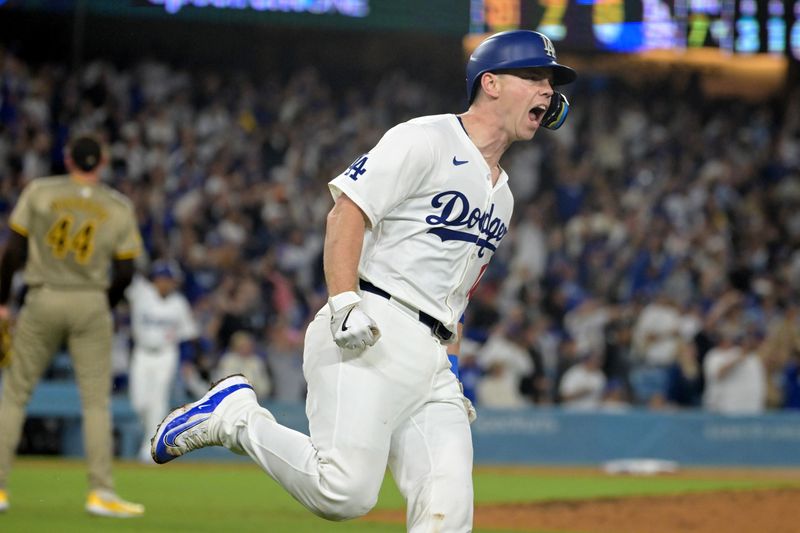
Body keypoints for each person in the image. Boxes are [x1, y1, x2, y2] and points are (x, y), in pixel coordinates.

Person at [151, 30, 576, 531]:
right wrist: (343, 302)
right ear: (491, 84)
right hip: (372, 326)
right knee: (344, 493)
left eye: (549, 81)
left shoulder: (503, 194)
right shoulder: (426, 138)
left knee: (448, 513)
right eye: (532, 76)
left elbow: (454, 294)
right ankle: (234, 417)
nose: (547, 91)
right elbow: (346, 214)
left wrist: (452, 369)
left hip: (433, 356)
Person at [0, 134, 145, 516]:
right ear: (101, 163)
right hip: (90, 300)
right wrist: (103, 303)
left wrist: (1, 301)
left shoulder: (40, 192)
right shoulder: (117, 206)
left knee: (14, 394)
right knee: (96, 402)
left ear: (68, 159)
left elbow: (13, 250)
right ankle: (100, 492)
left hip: (43, 294)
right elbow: (127, 270)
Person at [126, 259, 199, 463]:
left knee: (157, 402)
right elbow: (126, 273)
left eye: (168, 279)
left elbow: (187, 337)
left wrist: (187, 361)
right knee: (139, 402)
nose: (164, 283)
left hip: (166, 354)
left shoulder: (179, 303)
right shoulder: (141, 294)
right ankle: (148, 437)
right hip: (141, 353)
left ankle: (148, 449)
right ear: (154, 279)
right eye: (161, 278)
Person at [212, 330, 272, 400]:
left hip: (255, 399)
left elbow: (265, 386)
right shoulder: (228, 360)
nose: (247, 348)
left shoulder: (256, 361)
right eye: (243, 345)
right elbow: (229, 384)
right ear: (236, 346)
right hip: (230, 399)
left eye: (249, 345)